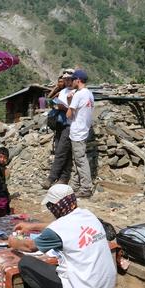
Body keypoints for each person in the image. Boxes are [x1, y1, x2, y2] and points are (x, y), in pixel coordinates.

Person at [9, 184, 116, 288]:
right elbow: (60, 225)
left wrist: (12, 242)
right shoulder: (88, 215)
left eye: (50, 206)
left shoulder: (60, 227)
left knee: (26, 263)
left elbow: (29, 247)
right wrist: (31, 226)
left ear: (57, 206)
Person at [42, 69, 75, 189]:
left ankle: (51, 178)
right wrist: (55, 105)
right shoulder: (63, 91)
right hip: (59, 124)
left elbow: (75, 113)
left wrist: (64, 108)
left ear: (74, 79)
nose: (66, 81)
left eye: (68, 79)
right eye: (65, 79)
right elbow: (53, 100)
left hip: (69, 124)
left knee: (61, 151)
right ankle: (63, 178)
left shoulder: (76, 93)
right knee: (62, 150)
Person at [66, 69, 94, 197]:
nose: (71, 82)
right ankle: (75, 185)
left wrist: (69, 101)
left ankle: (86, 188)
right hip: (84, 130)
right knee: (78, 159)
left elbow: (69, 115)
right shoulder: (89, 94)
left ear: (78, 80)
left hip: (77, 131)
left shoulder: (78, 94)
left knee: (81, 160)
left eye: (73, 80)